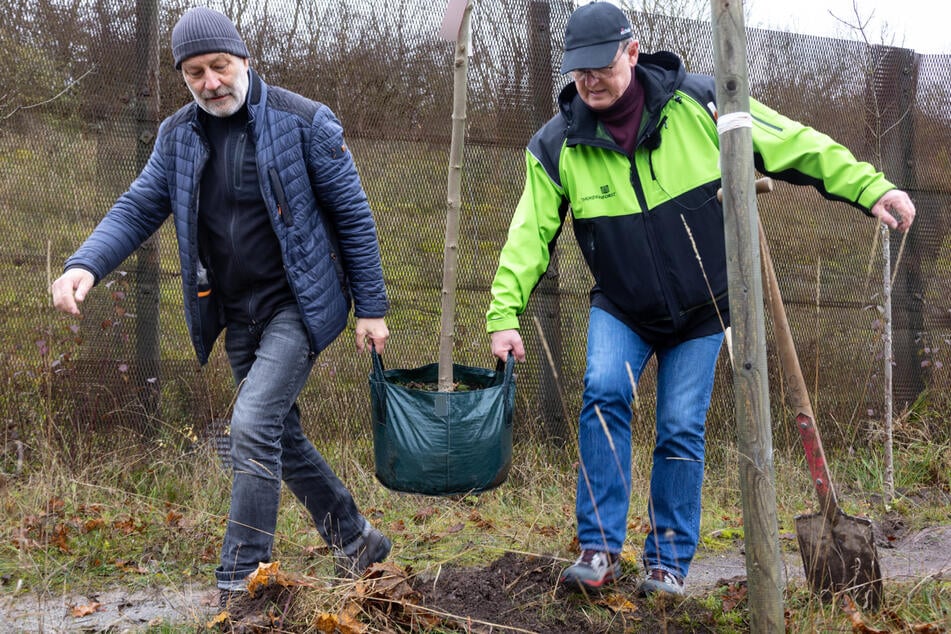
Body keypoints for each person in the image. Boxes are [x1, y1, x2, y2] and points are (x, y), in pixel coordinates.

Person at [486, 2, 915, 598]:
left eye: (601, 66)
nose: (589, 81)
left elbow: (794, 144)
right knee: (604, 393)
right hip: (622, 306)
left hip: (705, 308)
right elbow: (527, 235)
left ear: (632, 53)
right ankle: (599, 547)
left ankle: (665, 564)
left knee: (681, 427)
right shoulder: (557, 144)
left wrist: (870, 186)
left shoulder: (703, 103)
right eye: (578, 70)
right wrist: (504, 314)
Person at [50, 6, 392, 613]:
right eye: (195, 73)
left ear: (244, 60)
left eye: (220, 66)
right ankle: (356, 539)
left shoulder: (305, 120)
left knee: (252, 428)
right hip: (234, 310)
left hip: (299, 303)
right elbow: (137, 207)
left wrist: (371, 306)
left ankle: (244, 581)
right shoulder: (178, 135)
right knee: (276, 435)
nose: (211, 82)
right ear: (184, 77)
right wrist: (85, 264)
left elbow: (354, 217)